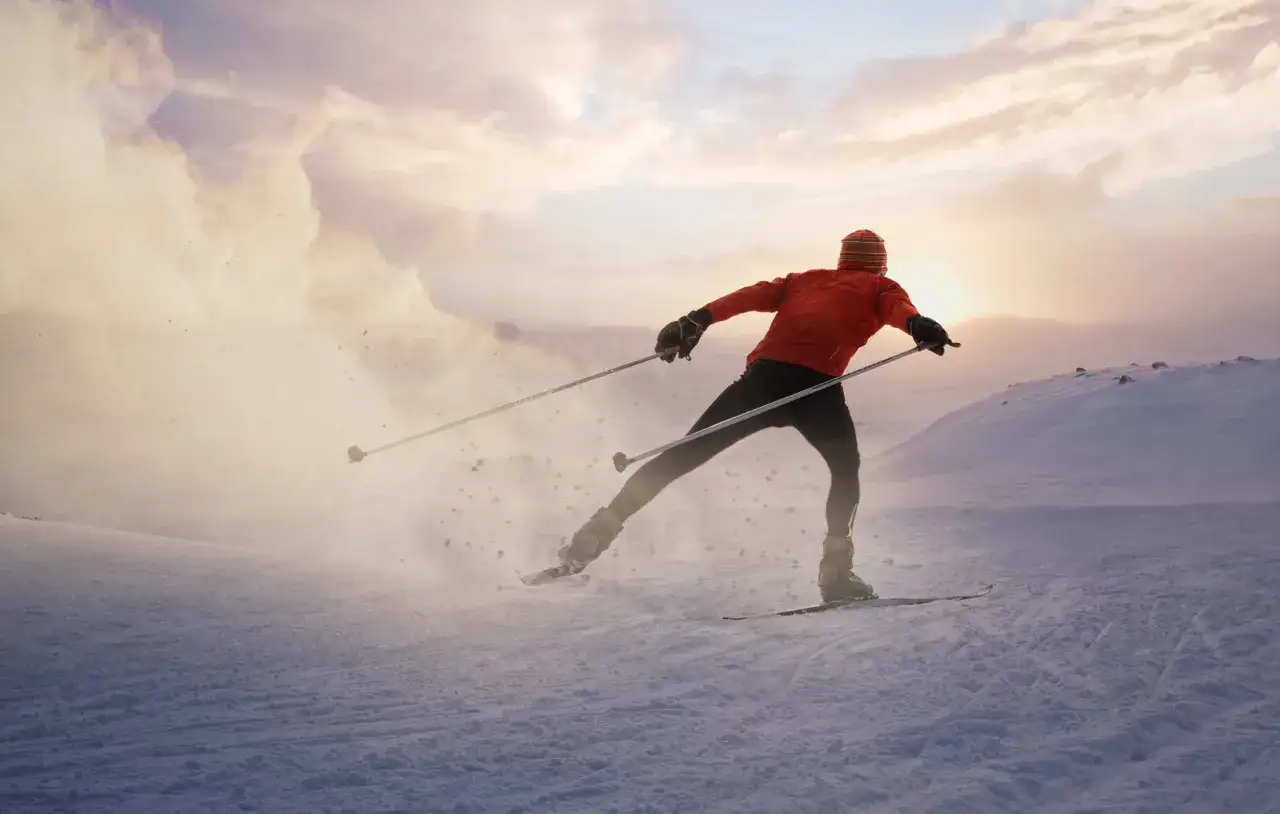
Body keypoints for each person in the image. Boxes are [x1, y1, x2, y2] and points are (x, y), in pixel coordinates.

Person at [557, 229, 954, 602]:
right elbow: (900, 311)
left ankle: (595, 533)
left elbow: (747, 296)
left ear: (841, 261)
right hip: (816, 393)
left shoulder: (804, 280)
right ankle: (836, 575)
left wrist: (695, 320)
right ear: (881, 265)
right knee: (845, 471)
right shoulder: (882, 287)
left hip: (761, 382)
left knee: (681, 457)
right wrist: (920, 326)